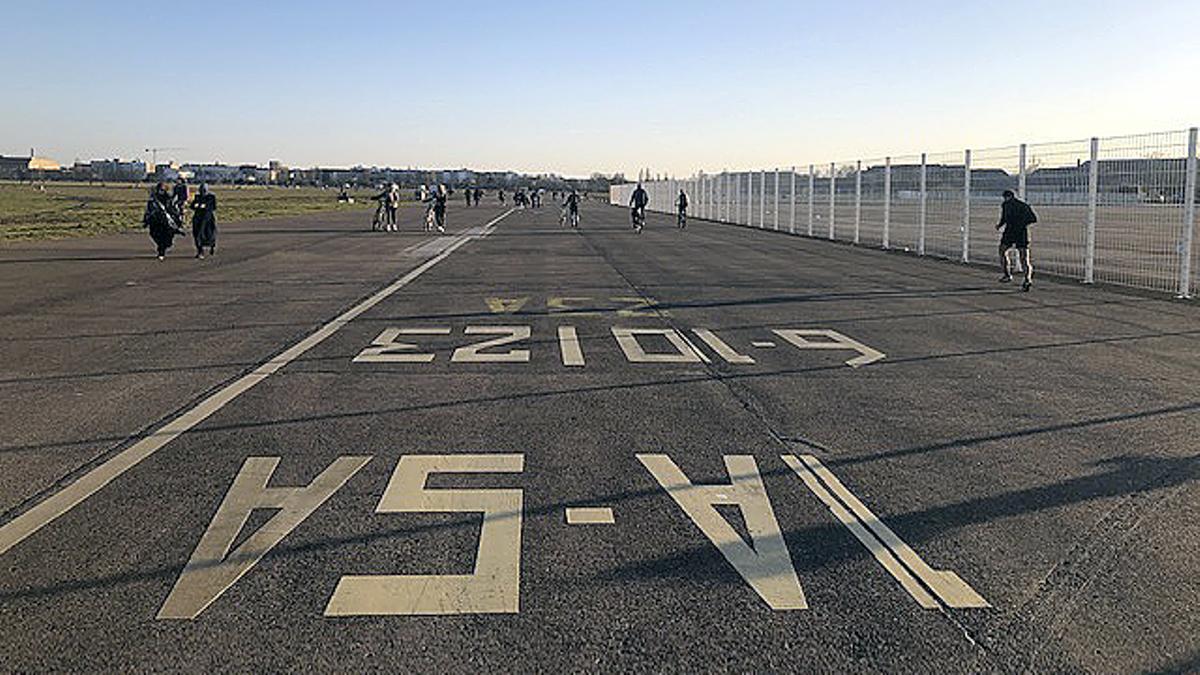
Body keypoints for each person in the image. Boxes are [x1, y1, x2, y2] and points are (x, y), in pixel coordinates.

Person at [996, 189, 1038, 291]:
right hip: (1020, 232)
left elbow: (1004, 218)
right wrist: (1022, 223)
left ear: (1008, 197)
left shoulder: (1007, 205)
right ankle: (1027, 279)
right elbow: (1033, 218)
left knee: (1003, 251)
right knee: (1024, 258)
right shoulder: (1023, 205)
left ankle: (1008, 274)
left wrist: (1000, 225)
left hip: (1011, 232)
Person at [144, 182, 183, 259]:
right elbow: (149, 209)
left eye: (162, 189)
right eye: (159, 189)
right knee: (154, 234)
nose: (160, 191)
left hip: (167, 220)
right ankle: (161, 248)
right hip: (156, 220)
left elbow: (173, 208)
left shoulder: (168, 198)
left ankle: (163, 249)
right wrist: (146, 218)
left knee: (167, 235)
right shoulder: (153, 199)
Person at [189, 183, 217, 258]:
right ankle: (200, 251)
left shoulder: (211, 197)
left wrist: (204, 206)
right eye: (201, 190)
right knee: (197, 234)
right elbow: (192, 206)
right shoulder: (197, 197)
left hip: (208, 218)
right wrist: (197, 206)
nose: (202, 191)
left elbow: (213, 207)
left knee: (209, 234)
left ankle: (212, 246)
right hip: (198, 218)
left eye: (204, 190)